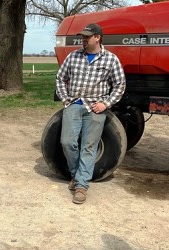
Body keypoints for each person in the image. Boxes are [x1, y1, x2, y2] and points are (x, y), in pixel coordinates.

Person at [55, 23, 126, 204]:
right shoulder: (73, 56)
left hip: (96, 107)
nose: (83, 39)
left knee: (88, 147)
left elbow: (119, 85)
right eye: (82, 36)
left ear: (97, 37)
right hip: (74, 104)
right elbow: (60, 78)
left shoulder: (110, 59)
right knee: (67, 142)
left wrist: (106, 103)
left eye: (87, 36)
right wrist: (65, 98)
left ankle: (81, 186)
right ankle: (76, 175)